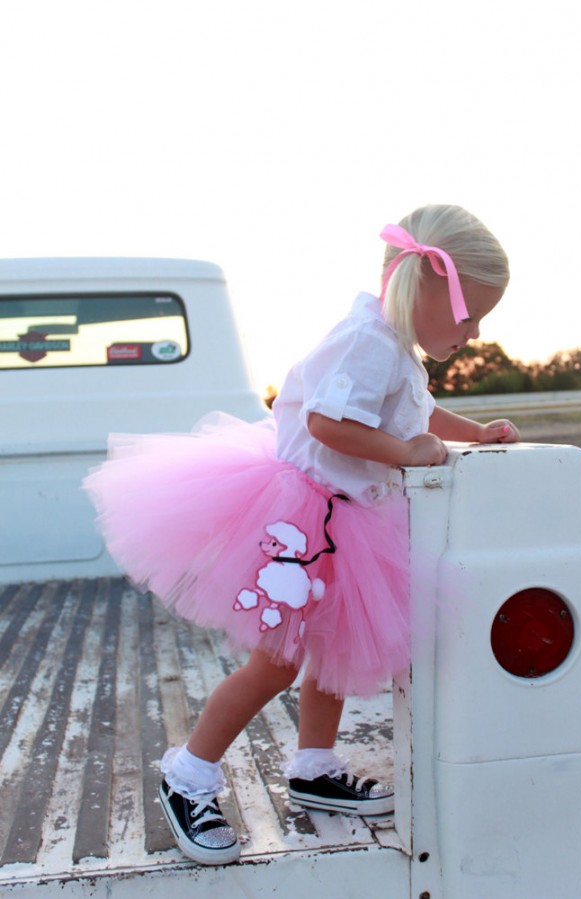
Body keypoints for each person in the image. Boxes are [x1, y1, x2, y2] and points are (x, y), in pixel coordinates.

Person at [83, 204, 520, 866]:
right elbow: (326, 424)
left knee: (335, 646)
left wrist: (475, 433)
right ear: (426, 287)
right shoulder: (366, 339)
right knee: (278, 658)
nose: (475, 330)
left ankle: (314, 766)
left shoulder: (391, 345)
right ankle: (188, 772)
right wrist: (408, 453)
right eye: (470, 314)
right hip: (300, 521)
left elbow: (416, 409)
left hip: (342, 521)